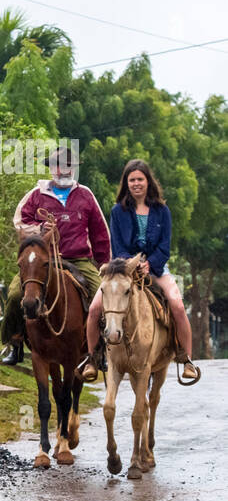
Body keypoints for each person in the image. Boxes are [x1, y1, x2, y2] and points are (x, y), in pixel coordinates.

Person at [79, 159, 200, 384]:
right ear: (126, 183)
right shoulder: (118, 211)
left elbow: (165, 246)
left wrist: (150, 265)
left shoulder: (162, 211)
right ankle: (93, 359)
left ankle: (186, 359)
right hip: (124, 270)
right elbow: (118, 245)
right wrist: (132, 265)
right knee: (95, 309)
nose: (136, 183)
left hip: (156, 269)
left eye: (140, 179)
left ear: (148, 182)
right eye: (131, 179)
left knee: (177, 304)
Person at [0, 145, 110, 365]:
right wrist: (41, 229)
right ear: (51, 169)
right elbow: (20, 222)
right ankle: (15, 343)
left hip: (79, 259)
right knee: (13, 296)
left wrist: (104, 264)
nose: (63, 170)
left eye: (68, 165)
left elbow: (100, 234)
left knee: (102, 296)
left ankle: (100, 349)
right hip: (44, 260)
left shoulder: (85, 195)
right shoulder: (36, 194)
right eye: (58, 165)